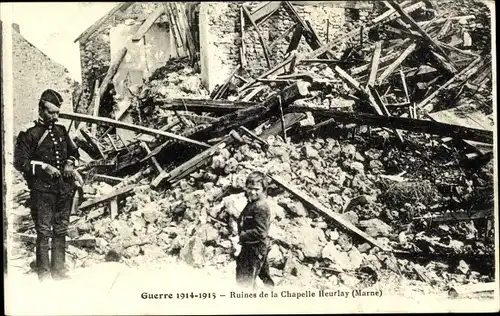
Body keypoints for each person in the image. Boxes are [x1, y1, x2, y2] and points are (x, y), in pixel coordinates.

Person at [14, 89, 80, 281]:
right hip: (42, 191)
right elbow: (21, 162)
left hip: (63, 189)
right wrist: (44, 167)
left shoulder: (61, 130)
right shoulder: (29, 133)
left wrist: (70, 163)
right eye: (51, 112)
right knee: (43, 231)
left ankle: (59, 270)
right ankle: (43, 273)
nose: (55, 116)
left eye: (57, 113)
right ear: (41, 110)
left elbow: (74, 152)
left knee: (60, 229)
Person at [236, 171, 274, 289]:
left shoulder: (260, 206)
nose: (252, 192)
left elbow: (260, 232)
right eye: (250, 188)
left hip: (254, 249)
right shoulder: (253, 203)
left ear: (263, 189)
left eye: (256, 189)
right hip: (253, 247)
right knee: (264, 276)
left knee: (244, 280)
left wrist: (242, 235)